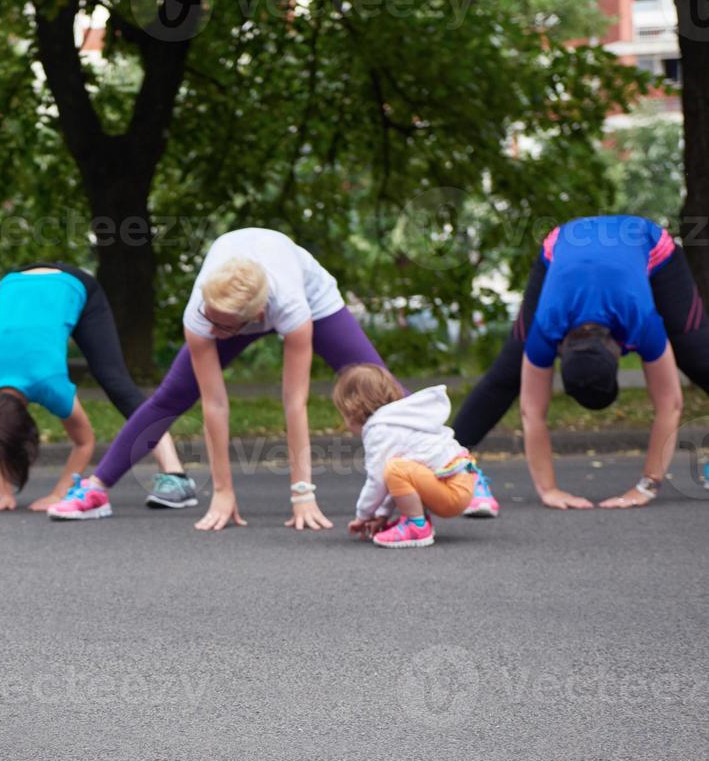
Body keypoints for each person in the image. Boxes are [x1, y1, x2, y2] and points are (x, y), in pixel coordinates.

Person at [47, 228, 456, 531]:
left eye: (221, 324)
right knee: (171, 396)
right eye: (208, 316)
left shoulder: (292, 308)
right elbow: (215, 404)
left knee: (378, 387)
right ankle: (96, 487)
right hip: (240, 298)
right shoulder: (203, 314)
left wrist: (302, 492)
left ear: (257, 319)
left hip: (309, 295)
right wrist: (223, 491)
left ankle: (457, 467)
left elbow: (294, 403)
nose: (210, 325)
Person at [451, 214, 705, 510]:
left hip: (647, 245)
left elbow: (670, 405)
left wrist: (648, 486)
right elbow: (531, 413)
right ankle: (443, 459)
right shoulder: (548, 326)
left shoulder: (640, 319)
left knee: (696, 356)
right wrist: (549, 490)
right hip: (565, 242)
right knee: (509, 371)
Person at [0, 263, 189, 512]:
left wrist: (58, 494)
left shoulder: (50, 385)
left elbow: (85, 442)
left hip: (72, 284)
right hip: (13, 284)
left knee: (114, 380)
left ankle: (174, 473)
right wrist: (4, 494)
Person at [333, 364, 478, 549]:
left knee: (396, 468)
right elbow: (391, 483)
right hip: (460, 482)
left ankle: (416, 526)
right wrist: (382, 514)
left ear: (352, 409)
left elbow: (378, 480)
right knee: (400, 468)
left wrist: (363, 515)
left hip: (452, 492)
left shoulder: (379, 430)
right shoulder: (398, 420)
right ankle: (415, 519)